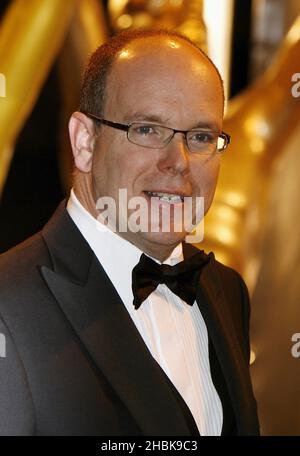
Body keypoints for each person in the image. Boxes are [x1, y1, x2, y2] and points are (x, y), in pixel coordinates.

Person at [0, 29, 259, 436]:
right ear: (84, 141)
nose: (179, 162)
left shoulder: (226, 290)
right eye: (147, 130)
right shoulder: (8, 307)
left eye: (202, 137)